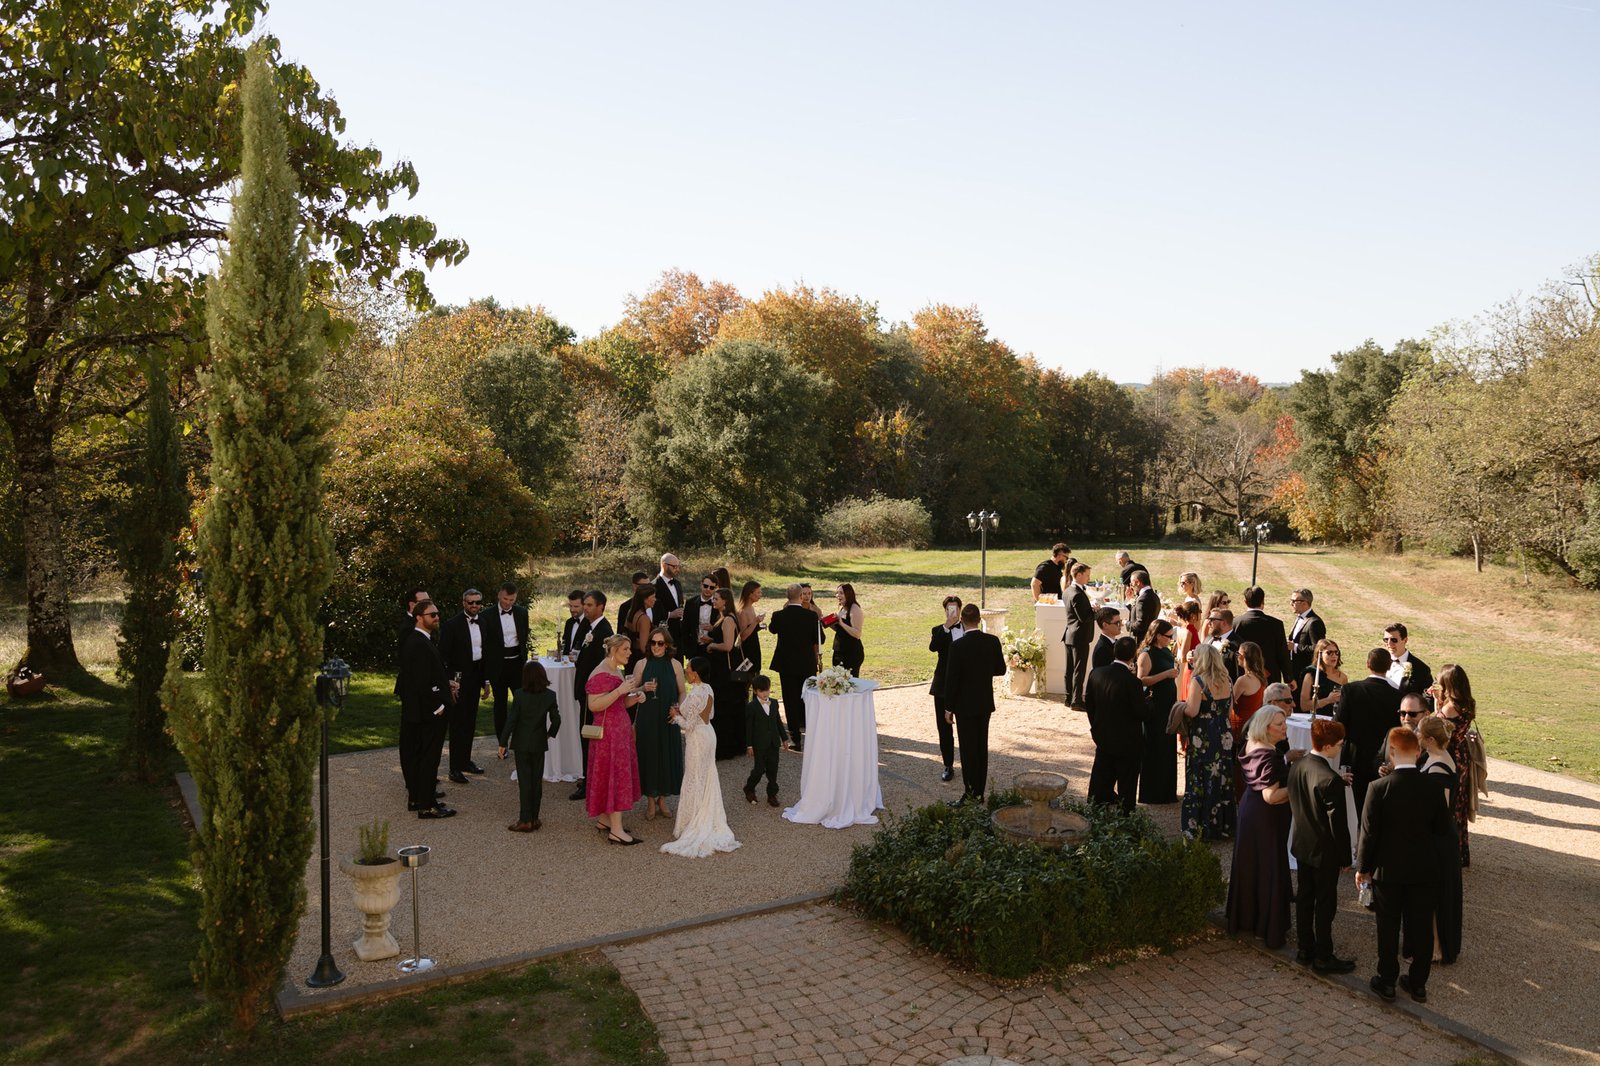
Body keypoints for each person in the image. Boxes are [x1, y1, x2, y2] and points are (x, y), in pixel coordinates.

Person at [1357, 727, 1452, 1004]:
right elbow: (1442, 828)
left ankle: (1387, 980)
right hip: (1424, 869)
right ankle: (1418, 983)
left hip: (1388, 870)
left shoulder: (1379, 788)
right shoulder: (1432, 788)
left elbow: (1368, 833)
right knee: (1421, 927)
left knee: (1387, 926)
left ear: (1392, 753)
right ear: (1419, 752)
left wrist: (1363, 868)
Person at [1287, 719, 1356, 973]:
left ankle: (1305, 948)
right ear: (1327, 746)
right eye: (1338, 745)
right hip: (1324, 853)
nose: (1340, 748)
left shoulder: (1298, 765)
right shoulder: (1331, 780)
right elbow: (1338, 826)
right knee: (1325, 904)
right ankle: (1324, 956)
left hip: (1302, 844)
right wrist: (1346, 858)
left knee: (1305, 898)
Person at [1226, 705, 1293, 949]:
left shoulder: (1252, 744)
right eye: (1280, 724)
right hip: (1265, 816)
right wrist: (1298, 785)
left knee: (1251, 864)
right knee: (1267, 866)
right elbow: (1271, 796)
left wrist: (1286, 758)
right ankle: (1267, 925)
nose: (1285, 728)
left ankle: (1248, 919)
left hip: (1248, 811)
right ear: (1266, 728)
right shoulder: (1270, 756)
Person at [662, 656, 741, 857]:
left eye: (688, 669)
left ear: (695, 673)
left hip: (697, 739)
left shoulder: (696, 693)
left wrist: (676, 715)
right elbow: (709, 715)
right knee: (706, 776)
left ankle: (693, 821)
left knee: (694, 778)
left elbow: (688, 725)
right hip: (708, 734)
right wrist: (684, 713)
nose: (686, 672)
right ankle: (703, 815)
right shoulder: (708, 688)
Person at [397, 599, 455, 819]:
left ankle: (419, 799)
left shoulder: (421, 640)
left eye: (437, 613)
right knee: (428, 758)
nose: (436, 617)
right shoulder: (418, 643)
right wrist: (438, 707)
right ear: (419, 618)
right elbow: (421, 683)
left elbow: (428, 674)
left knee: (423, 756)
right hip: (428, 713)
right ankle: (427, 806)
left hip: (424, 710)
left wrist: (446, 683)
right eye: (432, 615)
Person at [584, 635, 645, 845]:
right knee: (615, 776)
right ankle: (617, 830)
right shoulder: (600, 673)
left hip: (619, 730)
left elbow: (618, 703)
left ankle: (604, 819)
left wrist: (634, 697)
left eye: (629, 649)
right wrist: (620, 690)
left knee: (610, 774)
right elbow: (594, 705)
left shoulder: (615, 668)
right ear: (613, 650)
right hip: (609, 734)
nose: (629, 652)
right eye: (625, 649)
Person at [943, 603, 1005, 804]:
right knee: (981, 746)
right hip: (984, 701)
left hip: (964, 704)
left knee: (968, 750)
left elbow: (952, 679)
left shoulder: (958, 646)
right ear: (979, 620)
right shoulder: (992, 641)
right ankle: (979, 791)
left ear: (962, 621)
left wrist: (948, 707)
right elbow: (1000, 669)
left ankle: (971, 793)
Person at [1418, 714, 1463, 965]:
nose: (1417, 737)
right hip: (1438, 836)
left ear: (1430, 739)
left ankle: (1437, 945)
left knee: (1434, 894)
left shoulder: (1439, 768)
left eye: (1420, 734)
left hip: (1438, 839)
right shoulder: (1434, 757)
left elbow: (1441, 812)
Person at [1335, 648, 1402, 816]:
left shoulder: (1350, 690)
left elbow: (1339, 724)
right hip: (1384, 759)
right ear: (1388, 667)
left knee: (1357, 807)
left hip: (1355, 757)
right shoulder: (1397, 696)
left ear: (1367, 664)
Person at [1181, 643, 1236, 841]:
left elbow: (1193, 711)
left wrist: (1180, 707)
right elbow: (1229, 710)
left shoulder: (1198, 681)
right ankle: (1221, 826)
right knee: (1221, 776)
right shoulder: (1227, 680)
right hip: (1223, 732)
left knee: (1200, 776)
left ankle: (1198, 826)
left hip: (1203, 734)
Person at [630, 625, 685, 822]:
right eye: (653, 643)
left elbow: (682, 690)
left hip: (668, 716)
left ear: (667, 644)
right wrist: (643, 687)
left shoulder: (676, 664)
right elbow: (632, 690)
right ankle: (651, 801)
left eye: (660, 643)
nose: (656, 647)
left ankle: (663, 799)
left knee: (667, 755)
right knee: (649, 755)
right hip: (647, 716)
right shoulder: (641, 664)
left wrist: (678, 707)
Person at [1085, 635, 1145, 813]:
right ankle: (1125, 812)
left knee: (1102, 772)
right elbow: (1140, 712)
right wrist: (1150, 704)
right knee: (1127, 779)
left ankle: (1096, 807)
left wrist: (1095, 725)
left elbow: (1089, 703)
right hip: (1127, 739)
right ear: (1133, 655)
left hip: (1102, 733)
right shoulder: (1132, 682)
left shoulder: (1096, 673)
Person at [499, 659, 559, 832]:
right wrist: (549, 734)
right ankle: (534, 817)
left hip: (521, 743)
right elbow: (557, 720)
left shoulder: (519, 695)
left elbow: (512, 720)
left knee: (525, 781)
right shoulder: (550, 695)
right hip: (539, 743)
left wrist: (503, 742)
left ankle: (525, 819)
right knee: (536, 781)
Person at [438, 589, 490, 785]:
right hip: (458, 679)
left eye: (477, 602)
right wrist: (450, 681)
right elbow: (443, 656)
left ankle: (466, 760)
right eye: (471, 603)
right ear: (463, 603)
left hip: (476, 676)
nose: (474, 606)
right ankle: (454, 768)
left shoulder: (483, 622)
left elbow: (484, 654)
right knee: (457, 722)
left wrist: (486, 681)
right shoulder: (451, 625)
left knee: (470, 720)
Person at [569, 590, 613, 802]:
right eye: (584, 604)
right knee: (585, 734)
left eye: (589, 605)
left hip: (593, 694)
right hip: (584, 690)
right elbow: (577, 648)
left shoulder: (604, 631)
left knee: (590, 735)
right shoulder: (587, 626)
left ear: (600, 607)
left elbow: (603, 666)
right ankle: (589, 777)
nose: (585, 608)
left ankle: (590, 782)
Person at [1433, 663, 1478, 868]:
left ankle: (1447, 853)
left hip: (1449, 756)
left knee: (1448, 805)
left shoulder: (1450, 707)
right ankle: (1460, 851)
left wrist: (1437, 706)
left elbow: (1438, 730)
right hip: (1461, 756)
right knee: (1458, 806)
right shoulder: (1466, 703)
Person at [767, 584, 819, 751]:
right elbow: (820, 639)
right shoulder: (811, 616)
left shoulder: (779, 615)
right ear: (800, 596)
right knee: (808, 697)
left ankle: (795, 738)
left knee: (790, 699)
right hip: (806, 663)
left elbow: (772, 629)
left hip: (787, 663)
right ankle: (812, 735)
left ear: (786, 595)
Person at [1135, 618, 1179, 804]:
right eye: (1168, 636)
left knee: (1167, 746)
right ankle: (1152, 792)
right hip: (1156, 705)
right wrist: (1166, 675)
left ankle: (1167, 791)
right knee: (1154, 746)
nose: (1171, 639)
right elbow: (1142, 679)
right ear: (1158, 636)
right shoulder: (1146, 654)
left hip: (1168, 703)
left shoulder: (1167, 651)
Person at [700, 588, 746, 760]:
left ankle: (726, 748)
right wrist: (712, 639)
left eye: (716, 598)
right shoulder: (725, 617)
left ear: (725, 601)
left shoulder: (727, 619)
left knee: (724, 706)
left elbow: (727, 646)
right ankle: (734, 744)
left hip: (725, 671)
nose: (713, 601)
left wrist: (712, 646)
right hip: (725, 668)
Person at [485, 582, 530, 749]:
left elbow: (524, 638)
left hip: (517, 664)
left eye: (512, 600)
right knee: (500, 704)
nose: (508, 603)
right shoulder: (487, 615)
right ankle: (501, 742)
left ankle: (521, 741)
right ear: (499, 595)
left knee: (521, 702)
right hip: (498, 666)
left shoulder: (522, 613)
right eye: (505, 599)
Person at [928, 594, 965, 782]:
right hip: (942, 685)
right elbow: (933, 648)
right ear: (945, 611)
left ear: (960, 609)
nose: (953, 612)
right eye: (949, 609)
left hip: (964, 686)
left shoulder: (968, 629)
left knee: (966, 727)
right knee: (944, 728)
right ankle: (948, 764)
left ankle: (968, 763)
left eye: (955, 609)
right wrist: (946, 627)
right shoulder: (938, 630)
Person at [743, 675, 790, 807]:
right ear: (756, 691)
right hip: (759, 744)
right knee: (759, 769)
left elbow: (778, 722)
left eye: (767, 690)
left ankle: (772, 794)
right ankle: (749, 787)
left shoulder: (774, 703)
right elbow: (749, 728)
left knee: (773, 769)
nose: (765, 693)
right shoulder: (751, 707)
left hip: (773, 743)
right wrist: (749, 745)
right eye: (761, 691)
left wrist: (784, 738)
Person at [1230, 642, 1269, 801]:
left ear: (1245, 658)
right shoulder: (1262, 677)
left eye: (1239, 654)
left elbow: (1229, 704)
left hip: (1239, 725)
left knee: (1237, 766)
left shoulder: (1243, 680)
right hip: (1253, 724)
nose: (1237, 656)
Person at [1232, 586, 1290, 686]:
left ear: (1245, 602)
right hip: (1270, 677)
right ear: (1263, 601)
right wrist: (1289, 678)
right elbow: (1282, 653)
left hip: (1244, 676)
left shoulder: (1236, 623)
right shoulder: (1276, 624)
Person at [1063, 562, 1094, 710]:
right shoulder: (1077, 594)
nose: (1089, 578)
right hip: (1079, 636)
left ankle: (1068, 698)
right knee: (1078, 670)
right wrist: (1096, 611)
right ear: (1079, 575)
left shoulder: (1068, 590)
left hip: (1070, 633)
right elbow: (1084, 617)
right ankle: (1076, 701)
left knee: (1070, 669)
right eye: (1087, 575)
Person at [1383, 623, 1434, 701]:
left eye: (1394, 640)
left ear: (1405, 640)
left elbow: (1429, 699)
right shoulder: (1380, 661)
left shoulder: (1421, 668)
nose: (1389, 643)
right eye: (1386, 639)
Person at [1299, 639, 1347, 715]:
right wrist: (1328, 700)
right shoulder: (1310, 675)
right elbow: (1304, 705)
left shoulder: (1342, 677)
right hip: (1316, 718)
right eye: (1329, 653)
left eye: (1336, 652)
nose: (1334, 656)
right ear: (1320, 655)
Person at [1287, 589, 1325, 685]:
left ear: (1304, 603)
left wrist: (1295, 647)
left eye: (1294, 601)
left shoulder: (1314, 622)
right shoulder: (1299, 618)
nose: (1291, 603)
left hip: (1305, 673)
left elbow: (1318, 648)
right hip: (1294, 670)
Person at [678, 574, 717, 666]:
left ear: (715, 588)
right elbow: (685, 628)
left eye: (711, 587)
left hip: (713, 650)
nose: (708, 589)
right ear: (701, 585)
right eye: (705, 586)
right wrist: (688, 652)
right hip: (695, 649)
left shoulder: (719, 604)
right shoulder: (690, 603)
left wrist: (713, 629)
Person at [829, 583, 865, 677]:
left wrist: (841, 623)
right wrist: (830, 623)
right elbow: (842, 630)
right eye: (837, 593)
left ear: (848, 594)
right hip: (839, 650)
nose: (838, 595)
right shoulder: (842, 608)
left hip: (851, 652)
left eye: (841, 593)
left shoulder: (854, 608)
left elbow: (857, 633)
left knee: (849, 681)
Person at [735, 580, 765, 683]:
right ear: (750, 594)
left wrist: (759, 626)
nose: (760, 595)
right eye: (758, 592)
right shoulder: (742, 611)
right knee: (744, 679)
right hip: (747, 651)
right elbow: (743, 635)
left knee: (755, 678)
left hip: (754, 648)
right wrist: (756, 621)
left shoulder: (751, 608)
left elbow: (751, 628)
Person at [1173, 600, 1201, 699]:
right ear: (1193, 615)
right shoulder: (1189, 631)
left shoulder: (1182, 628)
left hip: (1190, 669)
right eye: (1199, 613)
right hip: (1191, 670)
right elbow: (1184, 657)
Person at [625, 584, 657, 665]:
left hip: (631, 657)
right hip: (640, 660)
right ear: (645, 599)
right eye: (653, 597)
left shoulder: (631, 612)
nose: (655, 599)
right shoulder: (644, 619)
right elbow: (644, 647)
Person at [651, 553, 684, 631]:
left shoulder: (677, 584)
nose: (677, 569)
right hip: (663, 631)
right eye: (674, 567)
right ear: (664, 565)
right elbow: (652, 610)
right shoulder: (653, 586)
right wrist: (670, 614)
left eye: (678, 567)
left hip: (679, 630)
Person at [1127, 570, 1161, 643]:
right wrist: (1131, 600)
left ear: (1138, 582)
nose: (1131, 587)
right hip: (1150, 638)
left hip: (1141, 640)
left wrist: (1126, 623)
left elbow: (1140, 625)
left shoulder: (1142, 599)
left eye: (1131, 584)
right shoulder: (1154, 596)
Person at [559, 589, 585, 658]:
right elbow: (565, 644)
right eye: (570, 606)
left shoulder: (589, 624)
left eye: (576, 606)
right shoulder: (569, 622)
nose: (572, 610)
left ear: (584, 606)